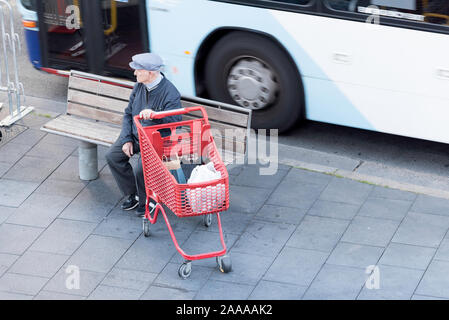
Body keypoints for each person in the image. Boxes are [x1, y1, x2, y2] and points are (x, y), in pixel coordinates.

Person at [105, 52, 182, 217]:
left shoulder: (170, 92)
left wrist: (156, 115)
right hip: (135, 135)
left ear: (151, 73)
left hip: (157, 140)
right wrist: (126, 139)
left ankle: (148, 201)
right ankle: (133, 194)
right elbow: (128, 114)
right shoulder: (139, 86)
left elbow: (175, 122)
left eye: (138, 70)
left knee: (141, 169)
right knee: (113, 156)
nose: (134, 73)